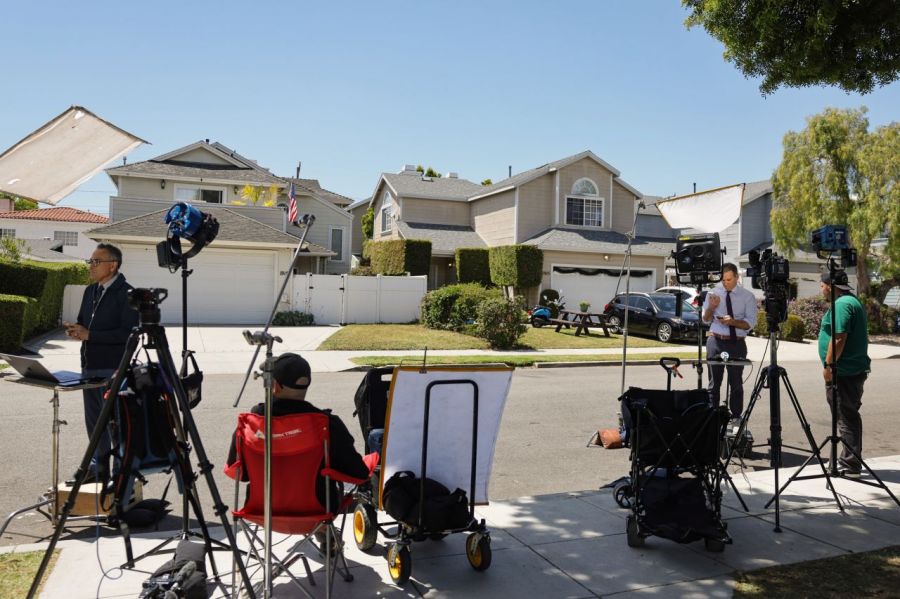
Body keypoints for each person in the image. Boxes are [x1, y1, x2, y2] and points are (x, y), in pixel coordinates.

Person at [226, 353, 371, 512]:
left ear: (274, 385)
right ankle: (323, 530)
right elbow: (358, 473)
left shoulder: (251, 424)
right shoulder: (327, 423)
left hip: (261, 510)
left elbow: (237, 472)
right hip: (317, 511)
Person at [64, 243, 139, 479]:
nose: (91, 266)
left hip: (114, 370)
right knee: (95, 424)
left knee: (116, 424)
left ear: (113, 265)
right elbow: (83, 323)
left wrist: (91, 335)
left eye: (96, 262)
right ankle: (99, 468)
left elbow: (129, 334)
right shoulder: (90, 291)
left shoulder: (128, 294)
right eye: (91, 261)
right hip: (89, 367)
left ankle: (120, 475)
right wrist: (77, 331)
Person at [819, 270, 870, 478]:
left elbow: (839, 338)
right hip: (852, 370)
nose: (820, 289)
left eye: (821, 285)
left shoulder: (841, 305)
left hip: (844, 371)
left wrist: (829, 366)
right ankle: (848, 460)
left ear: (830, 286)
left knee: (845, 417)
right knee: (848, 416)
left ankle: (850, 465)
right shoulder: (851, 301)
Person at [701, 263, 757, 421]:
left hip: (736, 343)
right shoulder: (713, 293)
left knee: (736, 384)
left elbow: (750, 323)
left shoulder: (747, 296)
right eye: (723, 279)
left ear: (737, 278)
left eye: (729, 279)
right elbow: (705, 320)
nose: (725, 282)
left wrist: (732, 322)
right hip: (716, 341)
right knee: (713, 384)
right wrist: (711, 308)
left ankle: (736, 418)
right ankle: (712, 418)